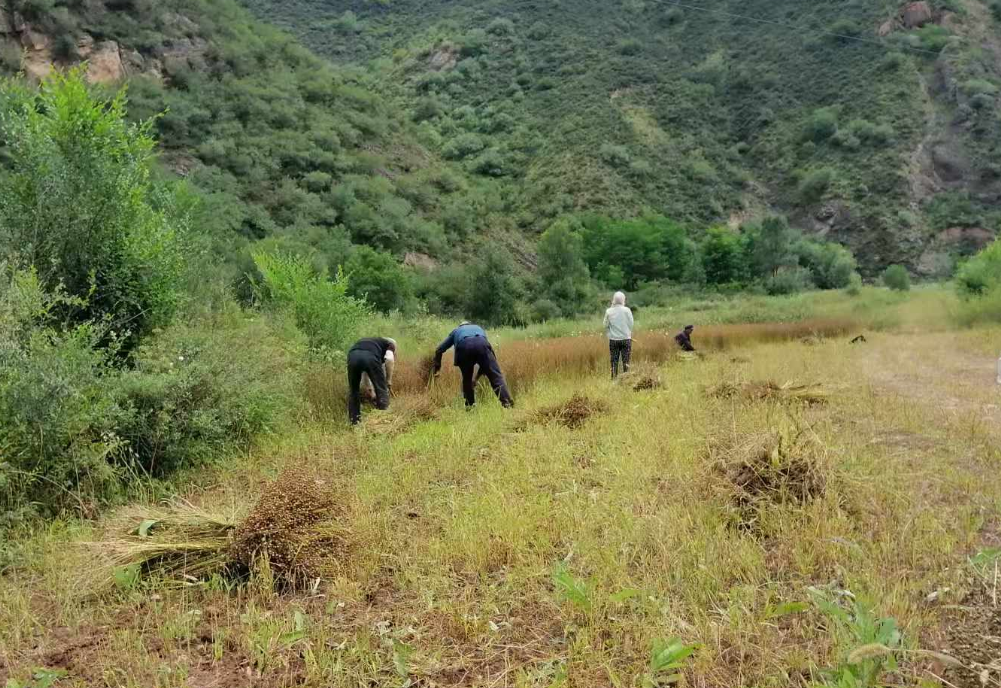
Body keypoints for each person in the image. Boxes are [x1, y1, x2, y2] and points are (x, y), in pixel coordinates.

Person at [433, 321, 513, 408]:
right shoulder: (478, 328)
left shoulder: (456, 331)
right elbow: (486, 364)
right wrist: (476, 378)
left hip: (464, 346)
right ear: (469, 324)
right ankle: (507, 403)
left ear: (460, 326)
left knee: (467, 380)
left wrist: (437, 368)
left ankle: (470, 407)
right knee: (496, 376)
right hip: (482, 343)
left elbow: (439, 350)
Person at [347, 337, 397, 425]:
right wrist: (388, 380)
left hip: (352, 356)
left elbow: (365, 370)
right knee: (381, 390)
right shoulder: (390, 344)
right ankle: (384, 420)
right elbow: (389, 359)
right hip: (370, 356)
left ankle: (354, 422)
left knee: (354, 391)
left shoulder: (370, 342)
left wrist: (370, 389)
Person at [603, 291, 634, 378]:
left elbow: (605, 325)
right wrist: (627, 332)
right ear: (623, 300)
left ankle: (614, 379)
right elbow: (631, 324)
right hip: (626, 339)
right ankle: (626, 379)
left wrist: (610, 332)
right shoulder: (627, 310)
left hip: (613, 340)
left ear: (613, 300)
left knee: (614, 361)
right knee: (626, 361)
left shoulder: (609, 311)